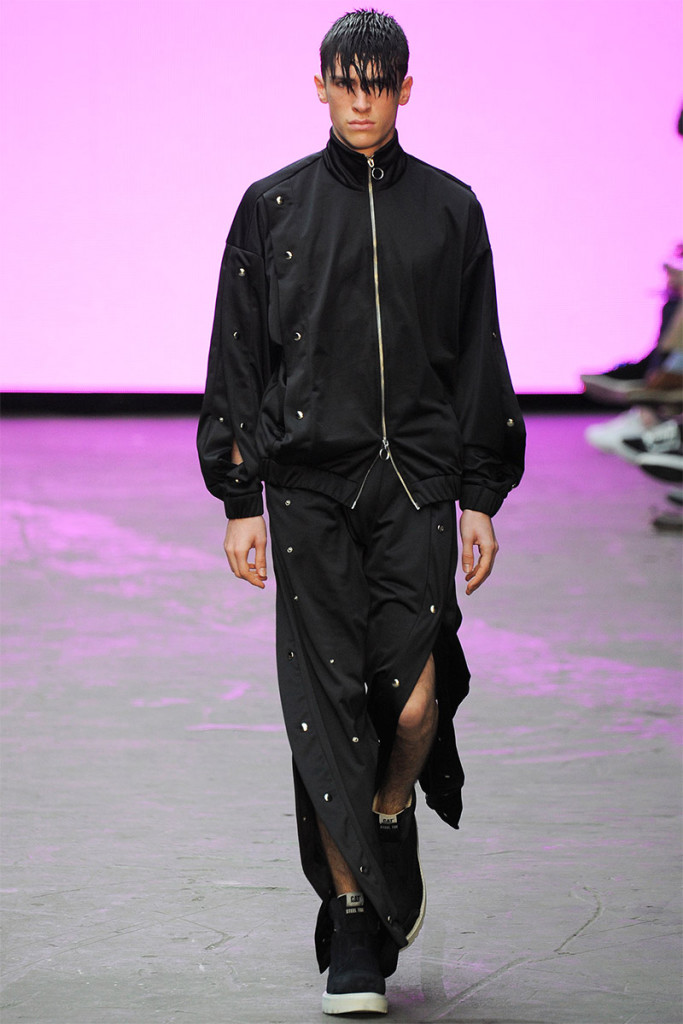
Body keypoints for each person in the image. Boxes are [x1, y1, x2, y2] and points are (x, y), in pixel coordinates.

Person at [198, 10, 525, 1016]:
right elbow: (238, 356)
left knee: (414, 705)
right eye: (345, 83)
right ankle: (351, 922)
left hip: (415, 485)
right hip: (307, 487)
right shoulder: (273, 206)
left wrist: (479, 494)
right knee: (328, 709)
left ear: (404, 89)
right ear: (319, 86)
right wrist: (239, 498)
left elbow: (477, 355)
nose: (360, 102)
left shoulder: (450, 209)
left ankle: (388, 818)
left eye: (377, 84)